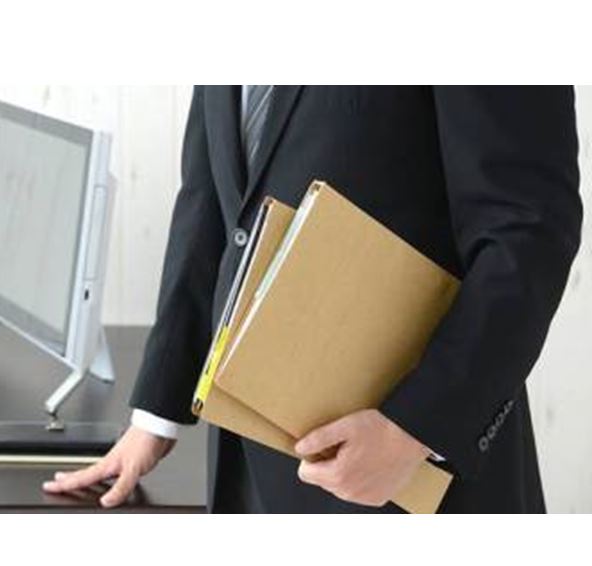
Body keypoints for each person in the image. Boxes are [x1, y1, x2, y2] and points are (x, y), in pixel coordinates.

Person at [43, 86, 582, 513]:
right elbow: (211, 198)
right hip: (245, 465)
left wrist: (414, 429)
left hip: (404, 477)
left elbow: (528, 233)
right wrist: (156, 415)